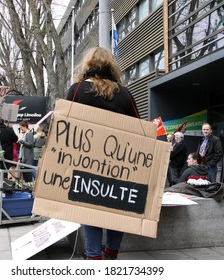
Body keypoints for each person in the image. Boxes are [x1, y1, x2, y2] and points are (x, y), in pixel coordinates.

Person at [65, 47, 139, 260]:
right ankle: (111, 251)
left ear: (87, 66)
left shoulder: (77, 90)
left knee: (90, 207)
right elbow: (139, 130)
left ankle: (94, 256)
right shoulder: (125, 94)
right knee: (119, 205)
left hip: (86, 162)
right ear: (111, 66)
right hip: (121, 163)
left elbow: (64, 125)